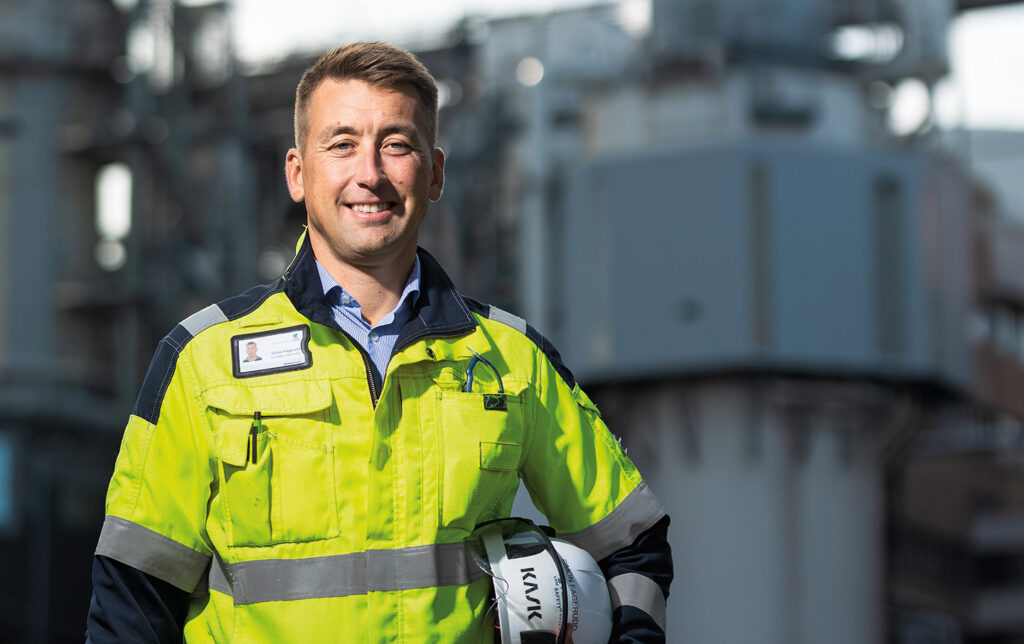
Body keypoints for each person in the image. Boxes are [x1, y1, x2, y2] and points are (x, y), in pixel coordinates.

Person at [86, 41, 672, 643]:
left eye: (397, 144)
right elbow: (133, 596)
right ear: (297, 172)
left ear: (435, 172)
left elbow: (632, 543)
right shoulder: (203, 362)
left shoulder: (510, 361)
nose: (370, 172)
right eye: (341, 144)